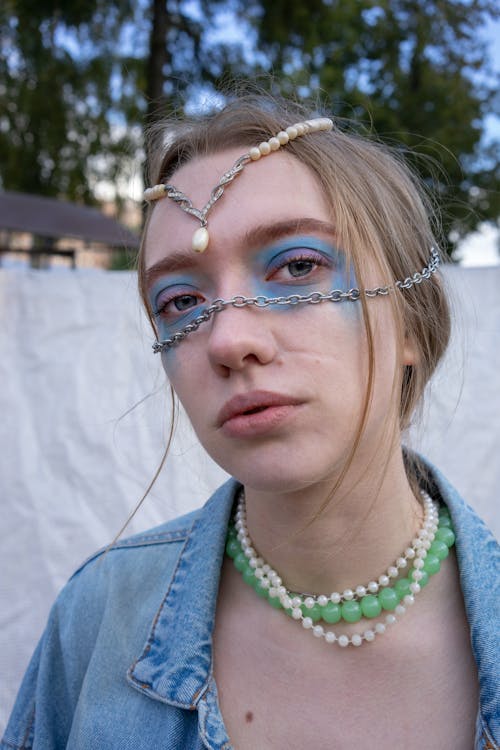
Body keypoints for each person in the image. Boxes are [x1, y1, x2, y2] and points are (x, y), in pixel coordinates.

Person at [2, 93, 499, 750]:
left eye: (298, 266)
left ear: (409, 318)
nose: (228, 340)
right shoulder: (98, 622)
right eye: (180, 300)